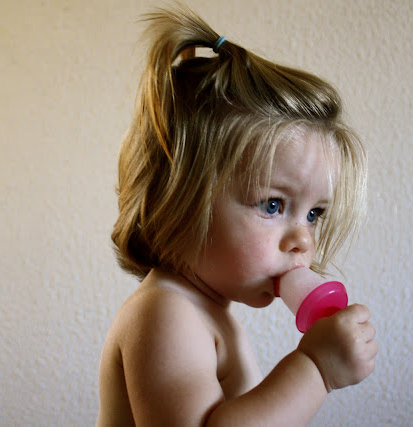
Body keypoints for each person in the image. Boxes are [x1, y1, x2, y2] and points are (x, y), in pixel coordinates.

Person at [97, 4, 377, 426]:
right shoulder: (164, 314)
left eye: (314, 213)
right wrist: (317, 369)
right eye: (272, 205)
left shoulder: (206, 312)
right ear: (179, 199)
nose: (303, 239)